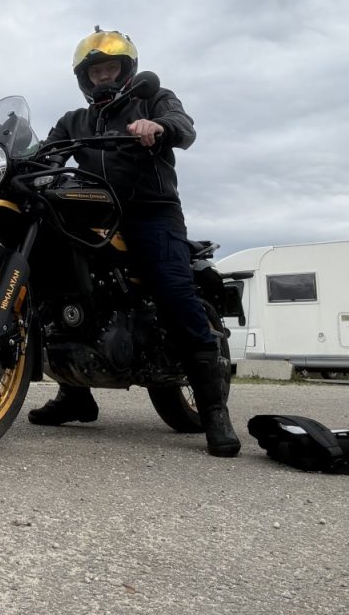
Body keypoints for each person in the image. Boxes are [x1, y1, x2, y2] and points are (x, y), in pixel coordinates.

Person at [27, 26, 241, 457]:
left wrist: (158, 125)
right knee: (52, 285)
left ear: (127, 71)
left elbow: (184, 127)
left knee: (175, 292)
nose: (103, 77)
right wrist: (10, 159)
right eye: (95, 72)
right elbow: (47, 154)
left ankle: (215, 411)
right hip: (92, 213)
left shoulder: (153, 98)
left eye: (110, 68)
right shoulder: (74, 120)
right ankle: (76, 394)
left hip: (150, 211)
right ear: (85, 80)